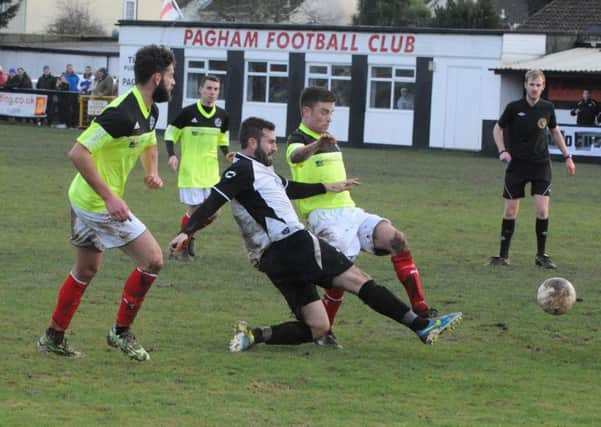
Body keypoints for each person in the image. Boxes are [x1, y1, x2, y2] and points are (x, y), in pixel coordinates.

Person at [168, 117, 462, 352]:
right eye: (270, 142)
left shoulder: (260, 171)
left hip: (271, 259)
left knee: (317, 327)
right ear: (252, 142)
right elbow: (214, 199)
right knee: (358, 280)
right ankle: (421, 326)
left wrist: (326, 187)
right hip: (292, 243)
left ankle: (254, 336)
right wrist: (186, 232)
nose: (274, 147)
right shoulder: (241, 169)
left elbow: (289, 188)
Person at [37, 45, 176, 361]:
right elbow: (77, 152)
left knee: (86, 268)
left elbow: (149, 143)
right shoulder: (121, 113)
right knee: (153, 259)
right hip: (96, 203)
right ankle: (120, 332)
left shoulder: (149, 110)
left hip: (82, 197)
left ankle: (53, 337)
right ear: (157, 78)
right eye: (171, 76)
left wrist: (152, 172)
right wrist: (110, 197)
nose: (174, 82)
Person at [286, 87, 437, 342]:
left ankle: (420, 307)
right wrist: (316, 144)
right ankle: (325, 331)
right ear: (306, 111)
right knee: (341, 276)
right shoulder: (297, 140)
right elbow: (297, 156)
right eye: (324, 112)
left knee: (396, 239)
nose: (329, 118)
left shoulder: (331, 140)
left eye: (332, 113)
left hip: (351, 211)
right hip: (324, 218)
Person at [489, 69, 576, 269]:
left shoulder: (548, 108)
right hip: (517, 165)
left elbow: (555, 132)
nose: (535, 88)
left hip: (541, 165)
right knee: (510, 211)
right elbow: (497, 128)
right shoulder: (513, 107)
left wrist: (568, 157)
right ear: (525, 85)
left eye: (538, 85)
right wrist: (502, 150)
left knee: (542, 210)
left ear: (543, 87)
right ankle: (503, 256)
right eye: (531, 84)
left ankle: (541, 256)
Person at [164, 75, 231, 260]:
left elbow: (223, 142)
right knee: (195, 211)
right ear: (200, 90)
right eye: (208, 88)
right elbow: (170, 135)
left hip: (211, 172)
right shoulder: (187, 113)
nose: (212, 93)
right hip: (191, 171)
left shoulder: (222, 116)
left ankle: (184, 237)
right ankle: (183, 247)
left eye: (216, 89)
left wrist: (228, 154)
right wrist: (171, 155)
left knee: (215, 212)